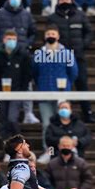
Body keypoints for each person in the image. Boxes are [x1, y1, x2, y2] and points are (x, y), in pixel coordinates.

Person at [0, 0, 39, 125]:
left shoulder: (27, 15)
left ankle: (28, 112)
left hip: (22, 55)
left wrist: (27, 45)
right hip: (3, 54)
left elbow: (33, 32)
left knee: (26, 82)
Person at [47, 0, 95, 123]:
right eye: (62, 0)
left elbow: (89, 32)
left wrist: (83, 45)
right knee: (61, 87)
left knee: (82, 85)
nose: (64, 2)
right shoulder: (52, 18)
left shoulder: (80, 16)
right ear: (58, 1)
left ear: (71, 0)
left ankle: (88, 113)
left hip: (78, 57)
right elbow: (49, 34)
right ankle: (59, 118)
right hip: (60, 59)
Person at [32, 25, 78, 164]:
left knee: (63, 122)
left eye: (53, 33)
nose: (50, 35)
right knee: (47, 124)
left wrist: (66, 86)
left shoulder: (67, 53)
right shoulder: (39, 53)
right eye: (48, 33)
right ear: (45, 36)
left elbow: (73, 72)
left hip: (62, 94)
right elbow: (34, 72)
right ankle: (49, 151)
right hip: (44, 92)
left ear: (58, 36)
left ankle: (66, 150)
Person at [0, 29, 32, 142]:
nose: (11, 41)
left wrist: (22, 90)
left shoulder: (23, 55)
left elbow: (27, 75)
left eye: (13, 39)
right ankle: (7, 148)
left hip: (16, 92)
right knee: (3, 121)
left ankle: (19, 144)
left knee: (12, 118)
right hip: (0, 94)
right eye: (9, 39)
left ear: (17, 40)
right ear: (4, 40)